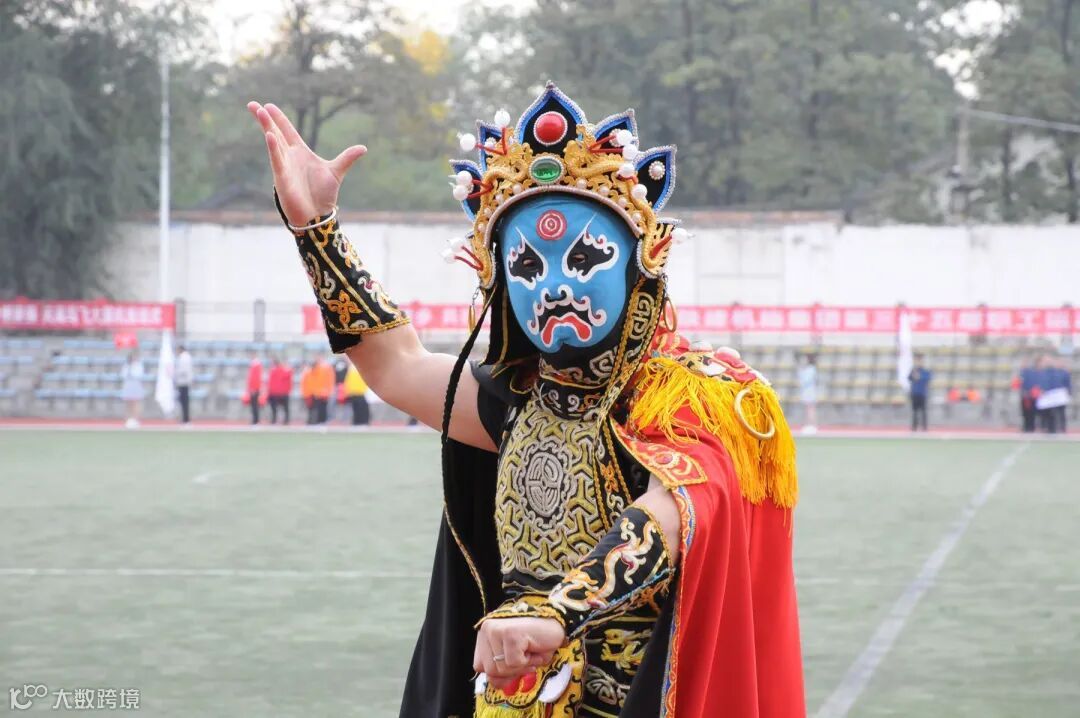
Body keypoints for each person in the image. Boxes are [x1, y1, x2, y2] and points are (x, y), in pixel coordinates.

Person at [248, 84, 805, 716]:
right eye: (529, 268)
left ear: (642, 261)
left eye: (584, 258)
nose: (555, 287)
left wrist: (560, 610)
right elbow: (396, 365)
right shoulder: (515, 401)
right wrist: (316, 231)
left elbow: (678, 508)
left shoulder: (691, 392)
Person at [119, 351, 145, 429]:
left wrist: (132, 373)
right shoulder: (126, 366)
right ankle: (128, 419)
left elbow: (139, 375)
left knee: (136, 403)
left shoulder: (138, 365)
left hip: (136, 384)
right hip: (128, 384)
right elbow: (123, 375)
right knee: (128, 403)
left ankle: (136, 419)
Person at [908, 353, 932, 431]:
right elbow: (909, 378)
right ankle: (914, 427)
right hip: (914, 393)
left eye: (920, 360)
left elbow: (927, 378)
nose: (919, 362)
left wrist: (919, 377)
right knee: (915, 411)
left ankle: (924, 427)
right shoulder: (913, 370)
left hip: (922, 393)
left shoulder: (925, 371)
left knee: (923, 411)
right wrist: (914, 375)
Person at [267, 356, 293, 425]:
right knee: (282, 408)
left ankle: (277, 420)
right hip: (280, 392)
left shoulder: (276, 370)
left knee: (278, 408)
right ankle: (283, 420)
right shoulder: (281, 370)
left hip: (278, 392)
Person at [797, 353, 818, 433]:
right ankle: (810, 425)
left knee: (810, 409)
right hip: (807, 391)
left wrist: (801, 371)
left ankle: (812, 425)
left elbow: (805, 381)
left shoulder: (811, 369)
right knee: (808, 409)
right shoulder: (808, 369)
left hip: (809, 391)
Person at [174, 344, 194, 424]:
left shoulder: (184, 358)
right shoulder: (185, 357)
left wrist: (175, 373)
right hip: (184, 381)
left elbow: (183, 370)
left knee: (184, 402)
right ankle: (185, 419)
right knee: (184, 402)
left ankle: (186, 419)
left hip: (184, 382)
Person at [1017, 357, 1037, 432]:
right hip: (1023, 395)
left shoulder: (1030, 372)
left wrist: (1029, 392)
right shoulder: (1021, 372)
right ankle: (1025, 426)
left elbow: (1031, 383)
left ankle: (1031, 427)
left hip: (1030, 395)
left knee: (1031, 412)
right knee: (1024, 412)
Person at [246, 352, 263, 425]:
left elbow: (255, 378)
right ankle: (255, 420)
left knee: (255, 405)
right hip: (254, 388)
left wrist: (254, 388)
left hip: (254, 388)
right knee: (254, 405)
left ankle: (256, 420)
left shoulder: (256, 365)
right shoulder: (254, 365)